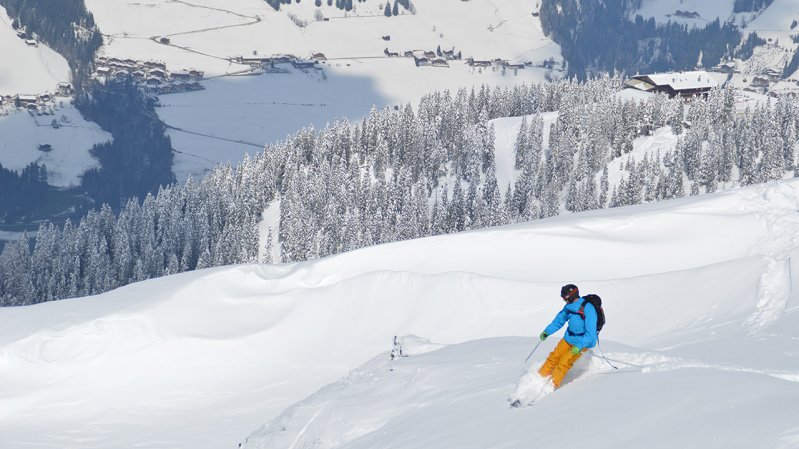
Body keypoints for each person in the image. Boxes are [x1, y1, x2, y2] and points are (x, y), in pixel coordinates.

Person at [537, 284, 598, 388]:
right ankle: (538, 379)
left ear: (571, 296)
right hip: (568, 338)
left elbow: (591, 334)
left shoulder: (588, 309)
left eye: (564, 297)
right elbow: (558, 321)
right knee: (553, 357)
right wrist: (547, 332)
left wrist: (579, 346)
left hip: (582, 342)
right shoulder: (569, 307)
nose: (563, 300)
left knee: (564, 363)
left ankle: (551, 386)